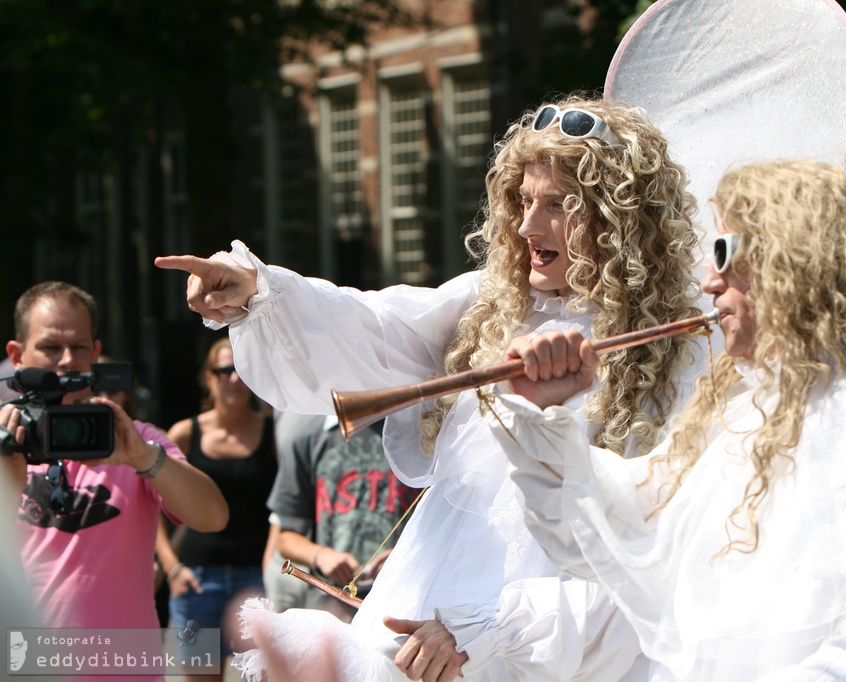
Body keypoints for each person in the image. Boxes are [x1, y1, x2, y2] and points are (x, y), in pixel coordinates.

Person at [155, 93, 705, 680]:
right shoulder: (486, 305)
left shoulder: (679, 348)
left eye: (558, 205)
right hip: (427, 608)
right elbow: (372, 329)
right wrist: (259, 292)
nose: (528, 226)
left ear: (619, 217)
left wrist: (492, 627)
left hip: (570, 641)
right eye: (522, 201)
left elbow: (659, 549)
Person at [489, 159, 846, 680]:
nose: (709, 282)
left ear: (795, 262)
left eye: (724, 252)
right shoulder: (751, 413)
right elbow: (617, 529)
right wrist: (540, 412)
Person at [0, 282, 229, 678]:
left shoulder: (133, 438)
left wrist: (144, 458)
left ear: (97, 352)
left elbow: (212, 517)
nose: (68, 361)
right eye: (52, 348)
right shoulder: (5, 442)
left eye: (80, 347)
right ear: (18, 355)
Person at [161, 337, 278, 675]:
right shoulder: (185, 433)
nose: (234, 379)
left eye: (242, 370)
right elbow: (152, 504)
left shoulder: (272, 434)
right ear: (208, 378)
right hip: (197, 580)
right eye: (224, 371)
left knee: (259, 675)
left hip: (255, 581)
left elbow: (287, 506)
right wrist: (171, 568)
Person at [269, 413, 416, 622]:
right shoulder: (309, 436)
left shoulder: (420, 433)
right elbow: (286, 537)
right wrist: (320, 555)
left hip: (401, 599)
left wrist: (405, 555)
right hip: (330, 604)